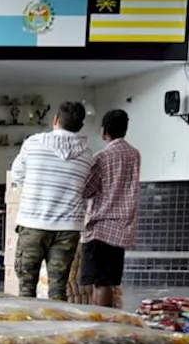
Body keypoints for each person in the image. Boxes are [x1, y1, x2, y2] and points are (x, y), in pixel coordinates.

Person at [10, 101, 95, 301]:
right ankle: (56, 331)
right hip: (68, 227)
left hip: (33, 224)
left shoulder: (33, 143)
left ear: (55, 119)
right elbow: (86, 189)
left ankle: (27, 331)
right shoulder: (88, 155)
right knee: (58, 288)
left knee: (26, 287)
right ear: (80, 127)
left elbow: (17, 174)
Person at [82, 109, 142, 308]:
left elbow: (87, 189)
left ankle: (100, 324)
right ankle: (106, 322)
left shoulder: (102, 157)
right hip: (122, 228)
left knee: (100, 284)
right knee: (109, 281)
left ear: (104, 132)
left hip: (100, 228)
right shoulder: (134, 155)